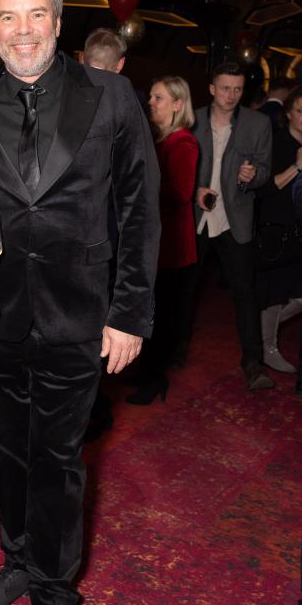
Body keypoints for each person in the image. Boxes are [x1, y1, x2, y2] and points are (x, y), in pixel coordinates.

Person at [0, 0, 160, 605]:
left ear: (58, 23)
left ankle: (51, 600)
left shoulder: (110, 96)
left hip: (80, 314)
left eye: (36, 15)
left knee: (58, 460)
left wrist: (129, 312)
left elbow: (139, 206)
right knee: (7, 450)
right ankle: (16, 559)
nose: (23, 30)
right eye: (8, 18)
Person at [193, 61, 274, 391]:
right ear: (212, 88)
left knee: (244, 293)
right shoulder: (191, 118)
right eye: (225, 88)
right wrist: (193, 191)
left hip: (234, 219)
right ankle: (169, 357)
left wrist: (251, 177)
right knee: (182, 290)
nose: (231, 95)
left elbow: (265, 170)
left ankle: (253, 363)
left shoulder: (258, 123)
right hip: (196, 218)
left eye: (237, 89)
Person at [127, 76, 198, 404]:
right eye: (152, 97)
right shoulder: (159, 139)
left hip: (171, 246)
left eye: (158, 98)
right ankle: (146, 372)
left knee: (162, 315)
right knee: (149, 310)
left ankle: (154, 380)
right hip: (154, 241)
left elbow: (181, 193)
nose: (151, 103)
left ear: (178, 104)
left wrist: (139, 186)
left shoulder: (183, 142)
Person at [255, 86, 302, 372]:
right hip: (277, 229)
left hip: (300, 228)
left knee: (299, 295)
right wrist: (297, 167)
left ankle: (257, 331)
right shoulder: (277, 142)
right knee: (274, 292)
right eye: (300, 111)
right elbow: (264, 190)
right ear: (288, 113)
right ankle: (267, 347)